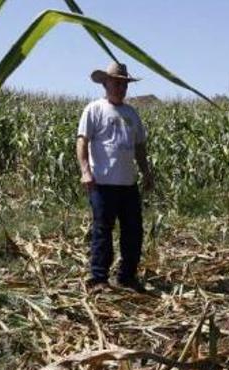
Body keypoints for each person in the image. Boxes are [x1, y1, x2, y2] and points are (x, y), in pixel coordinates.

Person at [76, 62, 154, 292]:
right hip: (102, 183)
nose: (120, 88)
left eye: (124, 84)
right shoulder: (94, 109)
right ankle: (98, 278)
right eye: (116, 83)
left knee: (133, 230)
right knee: (103, 230)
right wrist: (85, 171)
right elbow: (82, 141)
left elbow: (139, 146)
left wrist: (146, 172)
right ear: (106, 83)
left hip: (127, 184)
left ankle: (126, 277)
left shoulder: (131, 113)